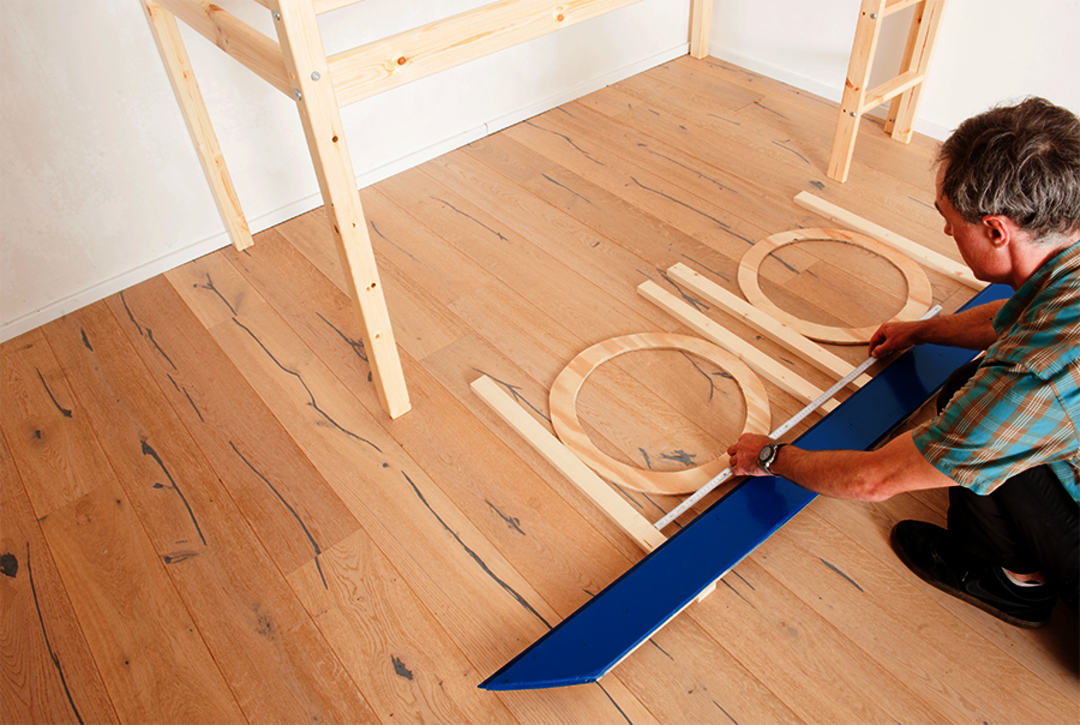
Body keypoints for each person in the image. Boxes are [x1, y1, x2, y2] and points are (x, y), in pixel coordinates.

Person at [727, 97, 1080, 628]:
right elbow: (1028, 311)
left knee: (970, 420)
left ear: (996, 231)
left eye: (948, 219)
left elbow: (875, 479)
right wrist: (925, 331)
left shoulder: (1034, 380)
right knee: (968, 392)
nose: (945, 232)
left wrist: (772, 457)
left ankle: (1016, 587)